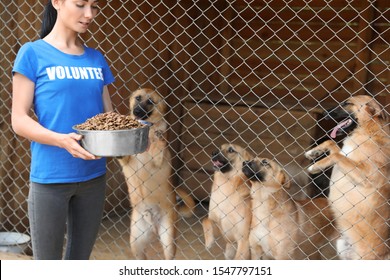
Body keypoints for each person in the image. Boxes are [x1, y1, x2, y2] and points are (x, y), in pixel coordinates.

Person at [11, 0, 115, 260]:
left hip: (93, 176)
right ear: (56, 2)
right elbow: (19, 119)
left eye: (94, 6)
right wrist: (60, 140)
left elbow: (109, 119)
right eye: (80, 4)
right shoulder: (32, 53)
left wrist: (134, 138)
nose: (89, 14)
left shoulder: (95, 58)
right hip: (51, 177)